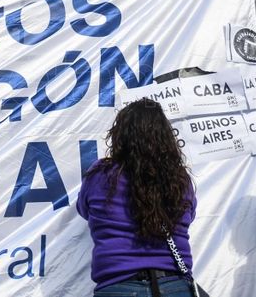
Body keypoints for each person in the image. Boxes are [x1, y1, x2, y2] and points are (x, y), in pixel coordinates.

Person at [77, 98, 197, 297]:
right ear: (165, 136)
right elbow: (189, 216)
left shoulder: (100, 174)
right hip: (175, 285)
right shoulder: (179, 179)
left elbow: (84, 210)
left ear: (120, 136)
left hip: (118, 287)